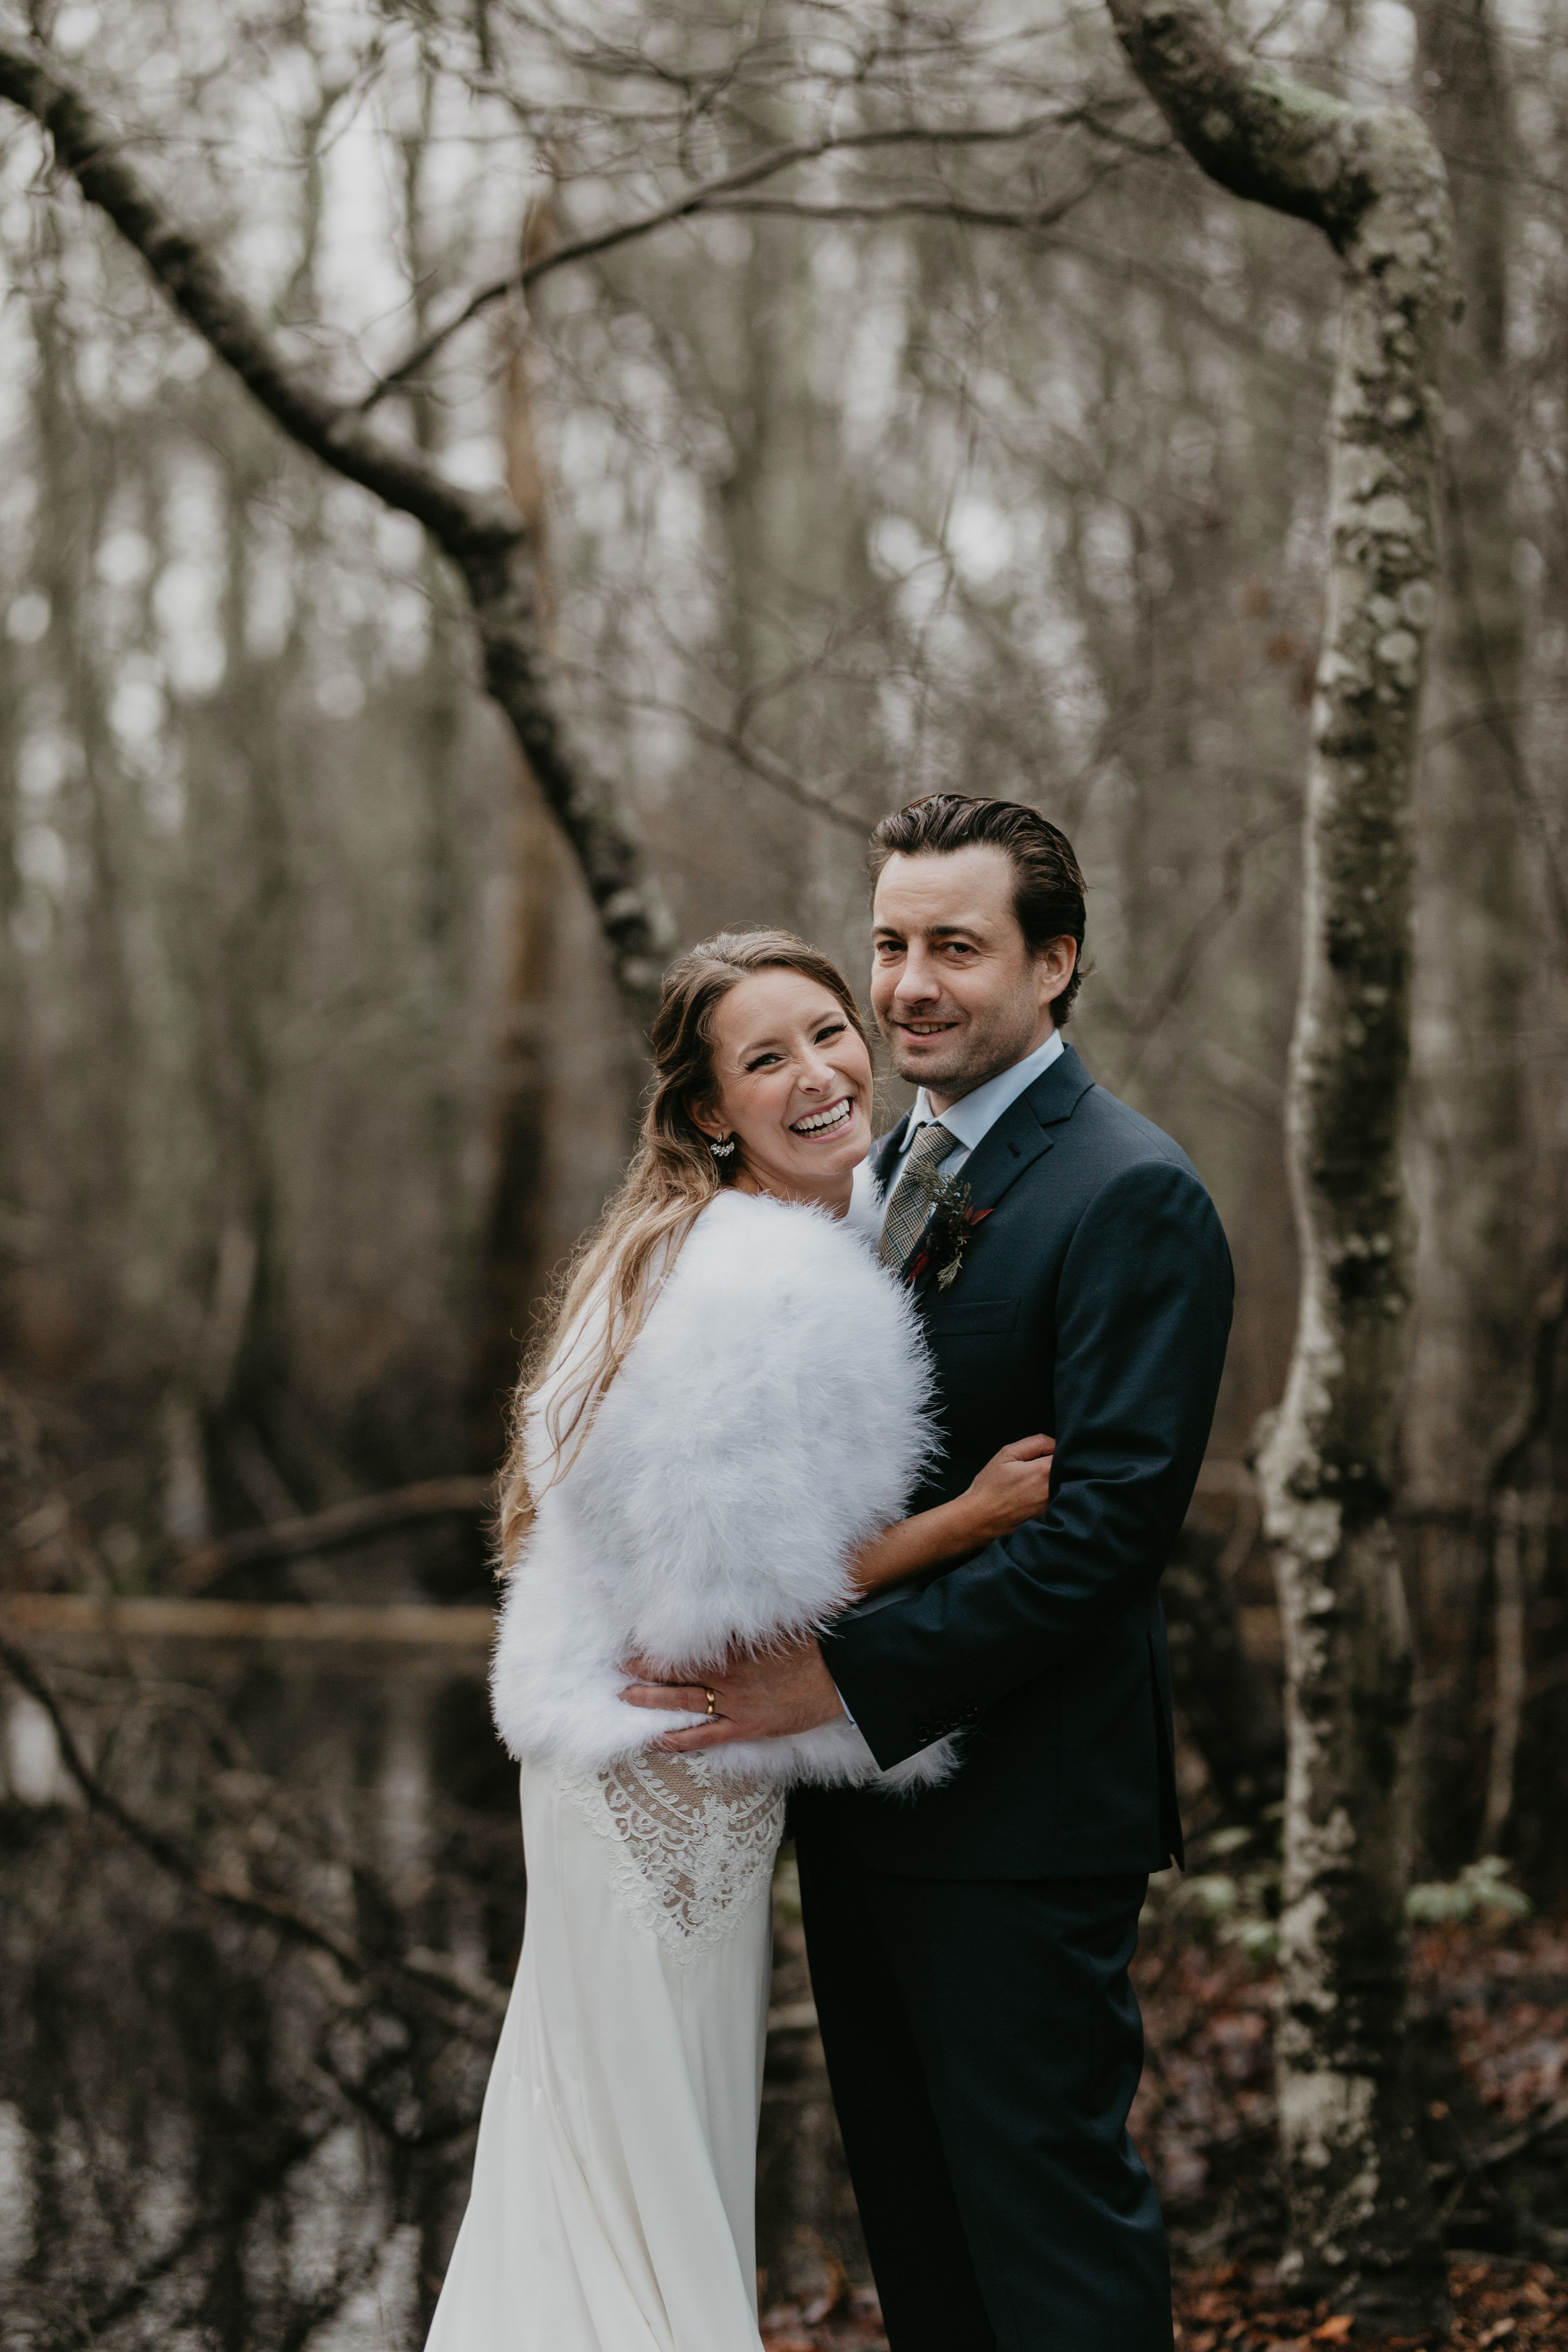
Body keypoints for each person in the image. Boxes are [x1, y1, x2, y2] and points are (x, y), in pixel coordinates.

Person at [624, 795, 1234, 2352]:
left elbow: (1102, 1536)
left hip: (1020, 1815)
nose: (905, 985)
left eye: (952, 947)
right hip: (860, 1798)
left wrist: (827, 1675)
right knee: (919, 2232)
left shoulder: (1128, 1192)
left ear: (1055, 964)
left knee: (1043, 2233)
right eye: (889, 944)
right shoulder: (866, 1167)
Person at [425, 926, 1056, 2352]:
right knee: (647, 2146)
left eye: (829, 1032)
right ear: (709, 1112)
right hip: (671, 1764)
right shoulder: (757, 1270)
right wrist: (966, 1519)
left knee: (600, 2125)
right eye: (765, 1060)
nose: (822, 1073)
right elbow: (737, 1587)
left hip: (639, 1745)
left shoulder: (725, 1237)